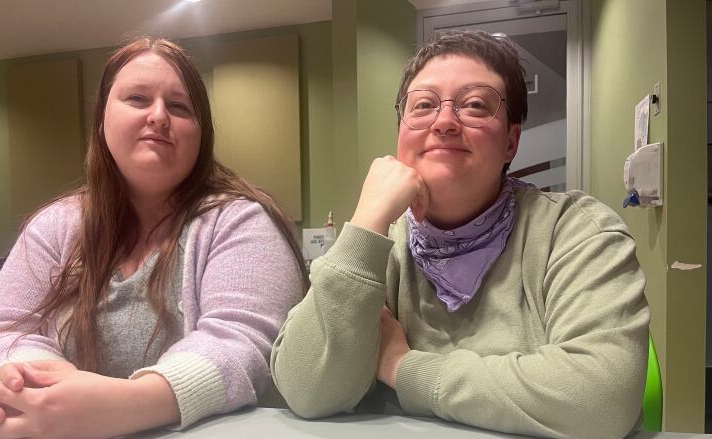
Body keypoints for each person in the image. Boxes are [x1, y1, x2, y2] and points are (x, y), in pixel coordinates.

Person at [271, 30, 649, 439]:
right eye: (423, 106)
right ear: (401, 133)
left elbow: (601, 399)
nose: (445, 122)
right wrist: (365, 223)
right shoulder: (380, 248)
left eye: (474, 105)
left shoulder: (576, 233)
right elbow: (306, 390)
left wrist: (402, 367)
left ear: (511, 141)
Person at [0, 37, 305, 439]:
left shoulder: (241, 220)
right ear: (102, 119)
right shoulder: (53, 226)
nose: (159, 116)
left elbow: (242, 344)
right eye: (138, 99)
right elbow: (0, 333)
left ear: (201, 133)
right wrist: (32, 386)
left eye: (179, 106)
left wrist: (121, 405)